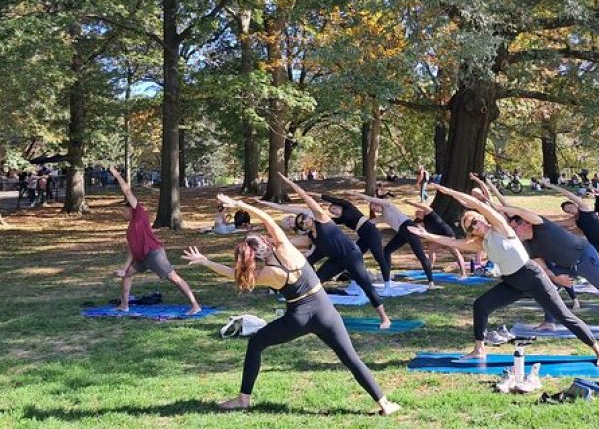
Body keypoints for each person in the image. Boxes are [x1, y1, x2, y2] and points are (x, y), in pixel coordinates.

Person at [182, 194, 400, 415]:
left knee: (256, 343)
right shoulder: (286, 248)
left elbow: (233, 274)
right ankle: (384, 403)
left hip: (298, 318)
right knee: (350, 358)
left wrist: (206, 261)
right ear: (266, 242)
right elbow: (267, 218)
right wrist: (240, 204)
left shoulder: (267, 273)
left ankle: (243, 399)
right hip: (326, 312)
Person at [408, 183, 599, 366]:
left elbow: (477, 204)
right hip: (512, 282)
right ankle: (479, 349)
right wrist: (427, 236)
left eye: (475, 220)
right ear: (471, 232)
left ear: (482, 219)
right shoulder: (480, 243)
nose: (475, 225)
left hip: (532, 276)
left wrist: (449, 191)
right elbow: (451, 243)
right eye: (470, 226)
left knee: (563, 315)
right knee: (481, 305)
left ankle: (598, 350)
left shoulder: (500, 228)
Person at [260, 176, 391, 329]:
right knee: (315, 281)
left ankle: (385, 319)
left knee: (366, 285)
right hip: (336, 260)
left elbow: (306, 198)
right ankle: (317, 313)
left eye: (303, 218)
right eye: (301, 224)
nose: (303, 221)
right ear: (303, 229)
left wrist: (291, 184)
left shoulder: (323, 220)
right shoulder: (310, 238)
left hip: (351, 255)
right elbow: (286, 242)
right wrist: (269, 241)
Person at [497, 202, 599, 337]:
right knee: (546, 287)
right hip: (564, 266)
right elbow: (543, 267)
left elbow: (520, 212)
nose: (514, 232)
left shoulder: (542, 225)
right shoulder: (527, 245)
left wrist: (498, 208)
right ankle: (549, 322)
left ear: (527, 223)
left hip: (585, 257)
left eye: (515, 228)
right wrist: (555, 278)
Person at [108, 165, 201, 315]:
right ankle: (124, 305)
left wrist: (117, 176)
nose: (122, 213)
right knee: (127, 275)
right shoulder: (130, 229)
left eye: (124, 210)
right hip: (141, 258)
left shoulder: (140, 214)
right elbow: (132, 252)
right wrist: (124, 269)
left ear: (131, 209)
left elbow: (127, 191)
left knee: (174, 278)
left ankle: (195, 305)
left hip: (154, 254)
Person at [348, 190, 438, 288]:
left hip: (409, 228)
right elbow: (368, 223)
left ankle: (431, 282)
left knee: (420, 255)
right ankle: (387, 277)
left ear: (378, 202)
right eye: (373, 209)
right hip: (401, 232)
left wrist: (357, 194)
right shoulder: (383, 217)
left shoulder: (387, 204)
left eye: (374, 206)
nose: (375, 209)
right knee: (386, 251)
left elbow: (371, 199)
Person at [320, 192, 391, 284]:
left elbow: (332, 199)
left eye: (333, 208)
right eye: (332, 212)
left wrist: (316, 195)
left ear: (339, 206)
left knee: (379, 258)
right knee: (353, 257)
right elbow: (328, 221)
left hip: (371, 232)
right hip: (364, 236)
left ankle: (388, 284)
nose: (333, 212)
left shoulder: (348, 206)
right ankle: (355, 282)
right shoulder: (342, 219)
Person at [405, 200, 468, 278]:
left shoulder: (429, 213)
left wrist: (409, 202)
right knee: (431, 249)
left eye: (418, 212)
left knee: (455, 253)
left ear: (423, 211)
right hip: (440, 237)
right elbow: (417, 228)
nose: (417, 214)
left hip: (447, 234)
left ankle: (463, 274)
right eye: (416, 214)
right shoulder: (423, 222)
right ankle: (429, 269)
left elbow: (423, 206)